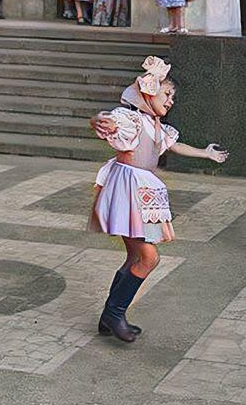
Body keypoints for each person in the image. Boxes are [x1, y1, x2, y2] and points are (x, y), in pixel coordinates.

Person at [88, 56, 228, 342]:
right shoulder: (130, 120)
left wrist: (206, 153)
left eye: (172, 96)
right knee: (149, 257)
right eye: (166, 94)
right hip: (127, 191)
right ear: (149, 93)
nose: (170, 101)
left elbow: (175, 145)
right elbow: (108, 123)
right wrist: (99, 121)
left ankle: (109, 317)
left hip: (137, 192)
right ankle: (115, 313)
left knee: (134, 256)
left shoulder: (155, 125)